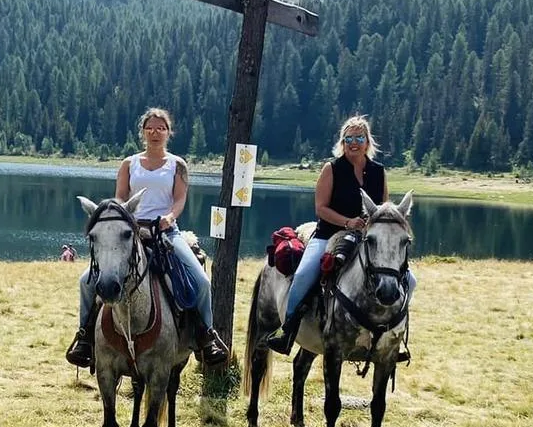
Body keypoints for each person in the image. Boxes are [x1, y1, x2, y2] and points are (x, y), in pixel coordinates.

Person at [65, 108, 230, 369]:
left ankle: (207, 336)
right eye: (150, 128)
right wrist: (119, 223)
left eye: (161, 128)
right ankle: (84, 337)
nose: (155, 133)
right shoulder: (128, 164)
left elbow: (179, 199)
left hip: (165, 232)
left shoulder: (178, 165)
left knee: (201, 282)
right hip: (131, 233)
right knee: (86, 280)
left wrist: (170, 217)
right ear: (143, 131)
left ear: (169, 132)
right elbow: (120, 199)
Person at [268, 114, 415, 356]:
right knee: (304, 275)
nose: (354, 143)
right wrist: (348, 222)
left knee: (410, 281)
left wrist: (373, 223)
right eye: (349, 138)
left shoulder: (379, 171)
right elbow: (321, 208)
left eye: (359, 137)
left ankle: (393, 335)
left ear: (368, 142)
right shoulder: (332, 169)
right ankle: (289, 330)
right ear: (342, 142)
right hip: (329, 235)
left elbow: (384, 207)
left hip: (368, 239)